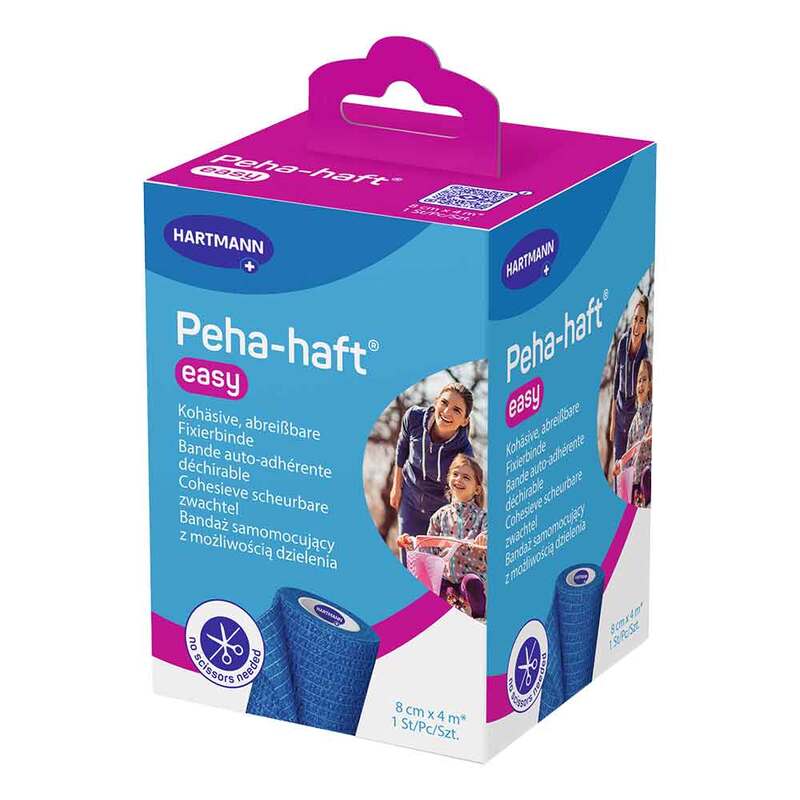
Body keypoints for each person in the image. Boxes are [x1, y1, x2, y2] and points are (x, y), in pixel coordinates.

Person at [398, 454, 488, 618]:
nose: (459, 479)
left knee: (472, 584)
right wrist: (411, 544)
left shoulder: (483, 517)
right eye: (455, 474)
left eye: (466, 477)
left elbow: (489, 535)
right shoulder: (439, 517)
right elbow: (428, 549)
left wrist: (484, 538)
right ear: (448, 479)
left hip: (470, 577)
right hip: (446, 578)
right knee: (435, 591)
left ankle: (478, 617)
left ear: (477, 489)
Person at [390, 383, 474, 538]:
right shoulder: (413, 418)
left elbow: (464, 490)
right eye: (444, 402)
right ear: (436, 402)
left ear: (464, 421)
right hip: (410, 499)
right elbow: (402, 448)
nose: (447, 412)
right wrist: (396, 487)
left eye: (456, 410)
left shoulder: (464, 452)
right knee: (407, 549)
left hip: (440, 510)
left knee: (433, 553)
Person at [611, 294, 649, 462]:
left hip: (634, 414)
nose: (637, 324)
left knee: (629, 465)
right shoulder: (622, 344)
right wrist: (613, 421)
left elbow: (644, 390)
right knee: (617, 464)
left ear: (645, 327)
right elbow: (616, 382)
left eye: (641, 320)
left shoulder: (644, 354)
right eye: (635, 319)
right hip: (619, 413)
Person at [613, 359, 653, 507]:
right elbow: (630, 451)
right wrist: (620, 464)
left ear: (650, 385)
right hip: (635, 480)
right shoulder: (634, 422)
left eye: (644, 380)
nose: (640, 384)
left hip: (648, 472)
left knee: (647, 475)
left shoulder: (652, 411)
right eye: (638, 381)